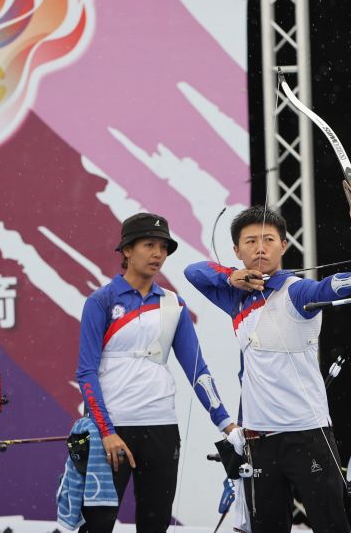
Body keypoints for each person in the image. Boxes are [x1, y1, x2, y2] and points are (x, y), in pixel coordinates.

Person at [184, 205, 351, 533]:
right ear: (236, 250)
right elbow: (193, 271)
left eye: (269, 239)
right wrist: (230, 275)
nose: (259, 247)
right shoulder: (235, 297)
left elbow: (327, 287)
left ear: (284, 246)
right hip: (259, 440)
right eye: (250, 241)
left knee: (331, 526)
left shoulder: (295, 292)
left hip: (307, 434)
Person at [75, 212, 237, 533]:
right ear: (126, 250)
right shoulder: (101, 302)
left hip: (162, 430)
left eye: (163, 247)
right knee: (98, 525)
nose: (158, 254)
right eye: (149, 245)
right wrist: (106, 431)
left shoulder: (173, 305)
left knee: (155, 524)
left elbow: (197, 370)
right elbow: (86, 372)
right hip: (112, 430)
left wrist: (225, 423)